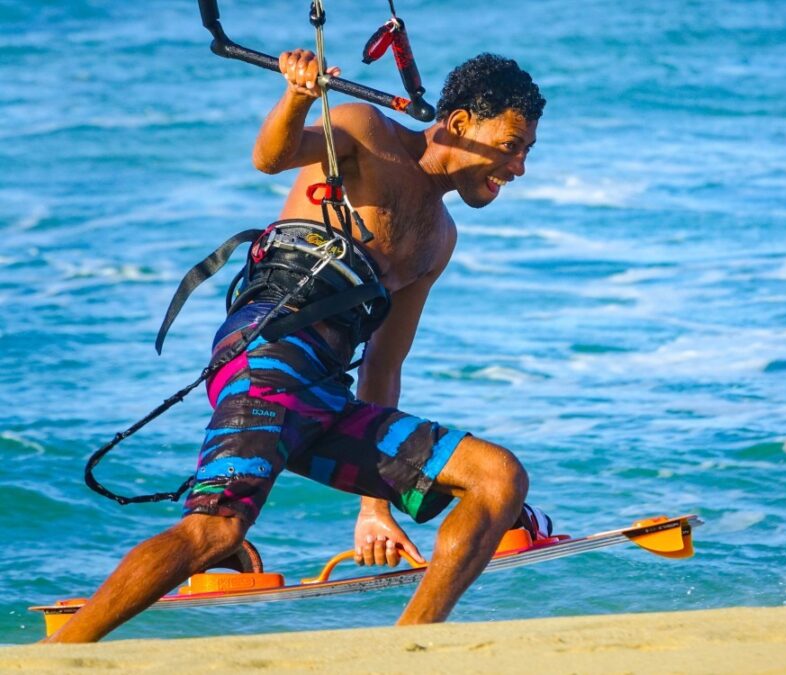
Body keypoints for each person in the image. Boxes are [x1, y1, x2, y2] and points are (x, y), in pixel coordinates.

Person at [45, 48, 545, 643]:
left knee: (496, 478)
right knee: (216, 532)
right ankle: (59, 655)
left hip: (325, 395)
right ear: (460, 125)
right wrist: (300, 96)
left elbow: (384, 364)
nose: (517, 167)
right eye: (511, 144)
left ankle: (410, 649)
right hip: (269, 354)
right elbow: (272, 157)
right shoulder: (366, 130)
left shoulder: (439, 239)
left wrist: (374, 508)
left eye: (526, 151)